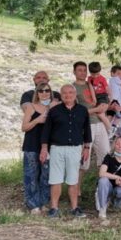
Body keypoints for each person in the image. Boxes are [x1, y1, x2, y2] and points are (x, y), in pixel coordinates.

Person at [40, 84, 92, 218]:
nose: (67, 95)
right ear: (61, 95)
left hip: (75, 149)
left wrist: (86, 148)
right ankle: (54, 208)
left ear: (75, 95)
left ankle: (74, 208)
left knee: (73, 180)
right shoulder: (54, 111)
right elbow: (46, 131)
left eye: (70, 93)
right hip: (56, 149)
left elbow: (87, 131)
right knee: (55, 180)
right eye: (64, 93)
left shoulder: (82, 110)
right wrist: (44, 148)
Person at [20, 83, 57, 213]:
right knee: (31, 175)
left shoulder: (54, 107)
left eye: (47, 90)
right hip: (31, 145)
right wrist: (37, 120)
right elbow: (24, 127)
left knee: (46, 175)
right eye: (41, 91)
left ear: (50, 92)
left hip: (48, 147)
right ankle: (32, 204)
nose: (44, 93)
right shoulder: (31, 107)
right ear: (37, 93)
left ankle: (44, 202)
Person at [72, 61, 110, 181]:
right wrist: (95, 110)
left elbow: (103, 96)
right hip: (86, 125)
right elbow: (74, 112)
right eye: (80, 70)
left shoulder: (91, 83)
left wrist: (104, 107)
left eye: (84, 70)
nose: (83, 72)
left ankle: (103, 186)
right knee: (84, 161)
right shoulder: (73, 88)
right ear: (74, 72)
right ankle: (76, 189)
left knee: (106, 155)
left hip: (100, 122)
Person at [95, 136, 121, 218]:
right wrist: (116, 177)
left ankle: (117, 200)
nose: (120, 146)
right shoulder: (109, 157)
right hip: (108, 186)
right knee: (103, 180)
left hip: (120, 186)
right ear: (114, 146)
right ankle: (103, 208)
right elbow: (101, 173)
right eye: (117, 144)